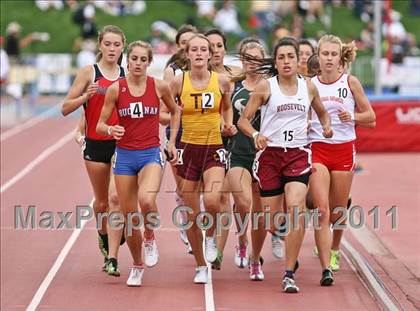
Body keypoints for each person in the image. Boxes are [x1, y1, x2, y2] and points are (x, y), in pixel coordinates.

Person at [238, 37, 332, 293]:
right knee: (272, 221)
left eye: (291, 56)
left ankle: (288, 272)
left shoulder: (308, 87)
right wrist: (256, 135)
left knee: (297, 209)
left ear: (297, 60)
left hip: (297, 155)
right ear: (276, 62)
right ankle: (284, 239)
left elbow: (322, 111)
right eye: (281, 57)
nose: (287, 61)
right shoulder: (265, 88)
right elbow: (243, 121)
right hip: (270, 157)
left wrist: (325, 125)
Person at [96, 40, 180, 286]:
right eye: (135, 59)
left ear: (149, 63)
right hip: (124, 157)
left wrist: (172, 142)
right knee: (129, 215)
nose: (139, 64)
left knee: (146, 200)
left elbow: (176, 112)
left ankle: (150, 236)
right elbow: (100, 124)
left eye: (144, 60)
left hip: (150, 153)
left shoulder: (159, 86)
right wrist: (112, 129)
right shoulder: (115, 89)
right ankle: (136, 264)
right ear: (127, 60)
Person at [171, 34, 236, 284]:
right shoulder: (178, 82)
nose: (199, 53)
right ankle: (200, 264)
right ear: (187, 54)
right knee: (190, 213)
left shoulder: (221, 81)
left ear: (210, 55)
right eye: (194, 50)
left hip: (213, 148)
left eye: (203, 50)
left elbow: (227, 106)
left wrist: (227, 124)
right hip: (188, 148)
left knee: (212, 200)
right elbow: (170, 115)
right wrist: (170, 142)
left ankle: (211, 237)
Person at [309, 34, 375, 274]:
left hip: (344, 149)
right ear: (318, 56)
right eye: (324, 54)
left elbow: (371, 117)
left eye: (333, 54)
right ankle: (326, 262)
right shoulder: (310, 85)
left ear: (340, 58)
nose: (328, 58)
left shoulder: (350, 83)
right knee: (322, 209)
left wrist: (353, 117)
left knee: (338, 209)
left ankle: (335, 248)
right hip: (317, 147)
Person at [61, 25, 126, 270]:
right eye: (107, 44)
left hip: (121, 144)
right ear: (100, 45)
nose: (111, 49)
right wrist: (84, 98)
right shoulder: (89, 73)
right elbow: (65, 108)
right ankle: (103, 234)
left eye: (116, 44)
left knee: (115, 199)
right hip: (96, 145)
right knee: (101, 203)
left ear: (122, 47)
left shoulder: (127, 74)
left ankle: (112, 256)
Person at [161, 24, 197, 254]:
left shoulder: (207, 70)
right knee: (184, 187)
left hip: (203, 134)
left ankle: (200, 228)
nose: (187, 46)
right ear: (178, 46)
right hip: (179, 134)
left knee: (202, 187)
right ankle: (186, 223)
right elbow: (163, 114)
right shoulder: (171, 72)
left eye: (191, 42)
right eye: (183, 42)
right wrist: (178, 113)